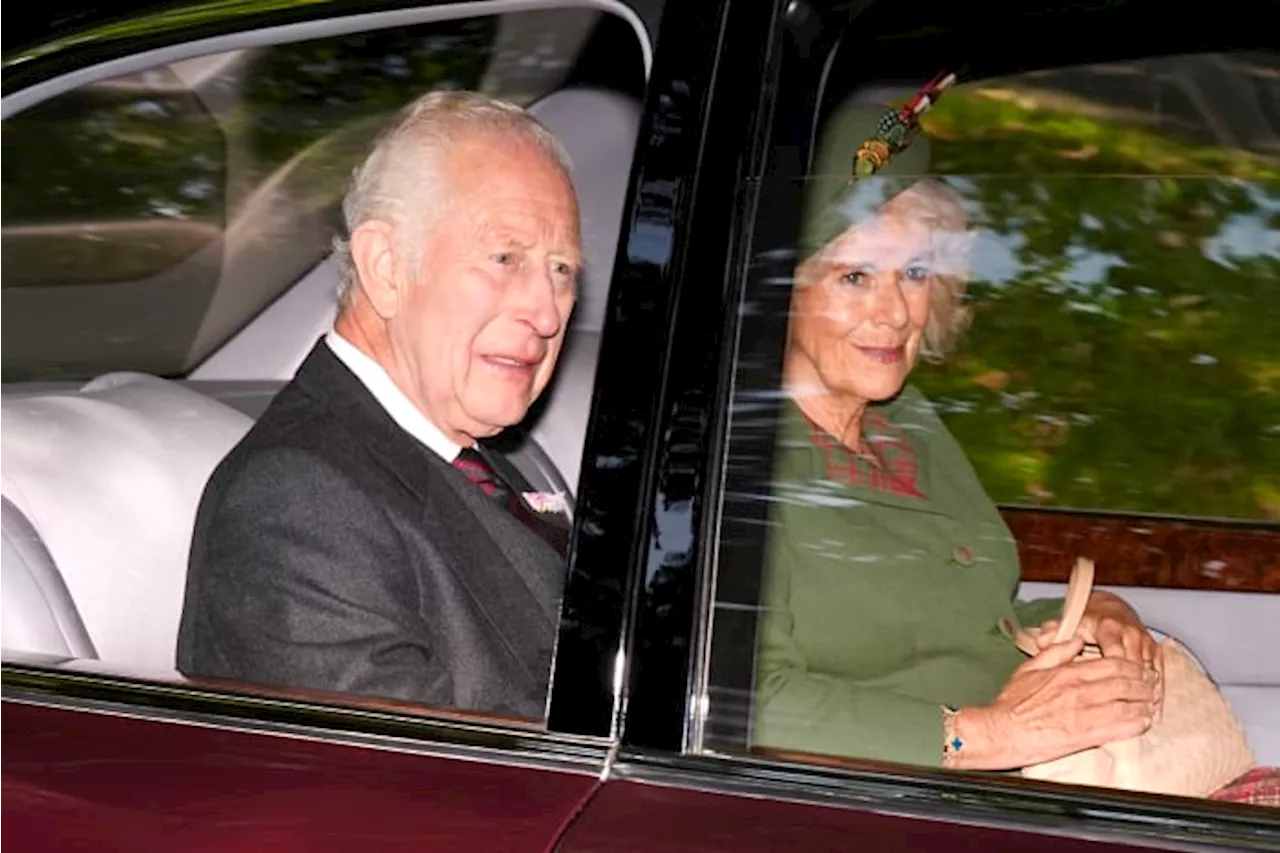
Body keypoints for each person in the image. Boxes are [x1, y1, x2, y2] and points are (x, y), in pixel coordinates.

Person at [751, 99, 1166, 771]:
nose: (894, 311)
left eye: (914, 273)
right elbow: (742, 699)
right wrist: (989, 734)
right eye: (854, 275)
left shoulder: (907, 423)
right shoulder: (740, 462)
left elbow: (964, 615)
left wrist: (1088, 611)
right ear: (785, 293)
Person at [177, 91, 581, 719]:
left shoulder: (481, 453)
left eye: (562, 270)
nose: (548, 311)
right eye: (506, 259)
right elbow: (407, 793)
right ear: (387, 267)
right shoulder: (295, 501)